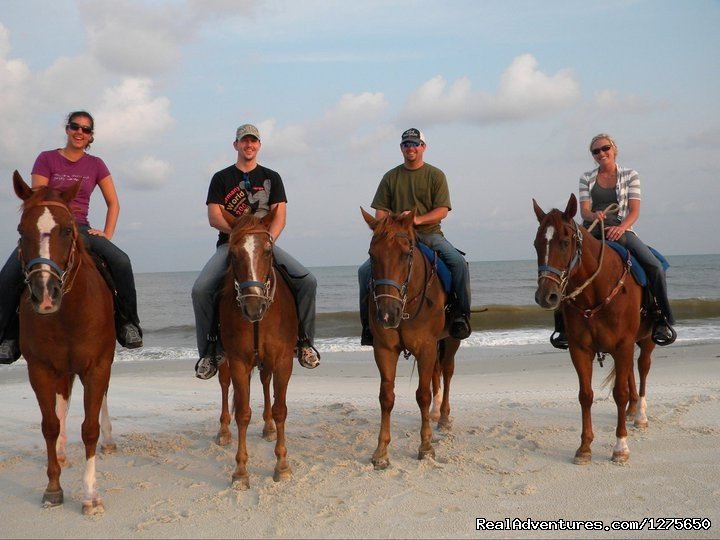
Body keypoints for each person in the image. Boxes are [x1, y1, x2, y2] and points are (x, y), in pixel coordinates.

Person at [0, 111, 143, 363]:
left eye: (86, 130)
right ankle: (8, 337)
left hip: (81, 227)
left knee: (122, 262)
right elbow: (38, 199)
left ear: (91, 137)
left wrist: (107, 233)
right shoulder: (46, 159)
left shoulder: (96, 164)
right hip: (48, 227)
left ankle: (128, 323)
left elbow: (113, 203)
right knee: (9, 274)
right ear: (67, 129)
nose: (80, 132)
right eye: (75, 127)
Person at [192, 124, 320, 380]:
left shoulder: (272, 177)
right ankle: (209, 352)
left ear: (259, 145)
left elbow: (279, 215)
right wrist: (240, 235)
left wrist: (266, 241)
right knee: (201, 289)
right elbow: (214, 216)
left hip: (264, 244)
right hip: (231, 244)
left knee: (307, 281)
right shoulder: (221, 178)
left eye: (253, 141)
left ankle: (304, 343)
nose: (249, 145)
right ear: (236, 145)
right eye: (244, 141)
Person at [550, 133, 676, 348]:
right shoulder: (586, 178)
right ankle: (562, 327)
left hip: (621, 230)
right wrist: (592, 216)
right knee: (563, 266)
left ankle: (662, 319)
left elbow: (634, 211)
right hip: (592, 231)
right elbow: (585, 210)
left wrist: (621, 228)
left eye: (605, 148)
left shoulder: (630, 175)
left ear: (614, 149)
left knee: (654, 266)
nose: (601, 153)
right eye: (596, 151)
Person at [357, 128, 472, 345]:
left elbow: (442, 210)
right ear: (401, 148)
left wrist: (416, 220)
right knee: (364, 272)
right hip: (398, 237)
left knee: (458, 263)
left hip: (429, 234)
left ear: (423, 147)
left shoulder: (435, 175)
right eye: (406, 144)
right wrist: (392, 224)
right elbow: (380, 213)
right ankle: (368, 326)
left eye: (415, 144)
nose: (411, 148)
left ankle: (461, 315)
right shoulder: (390, 177)